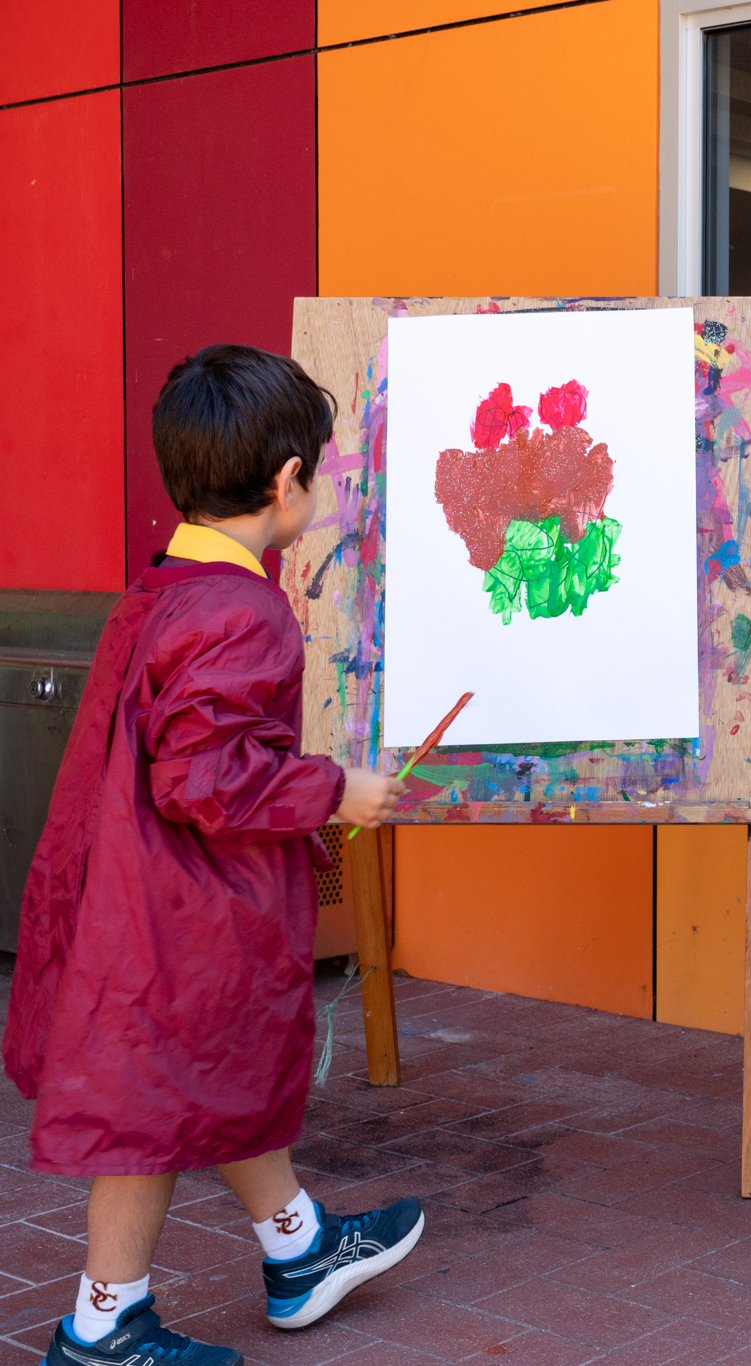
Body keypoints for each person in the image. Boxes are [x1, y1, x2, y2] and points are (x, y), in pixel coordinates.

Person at [3, 346, 420, 1366]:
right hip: (183, 914)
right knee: (151, 1114)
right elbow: (205, 779)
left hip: (139, 898)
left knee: (207, 1078)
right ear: (287, 480)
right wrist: (334, 789)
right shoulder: (245, 613)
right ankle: (102, 1328)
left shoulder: (164, 589)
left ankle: (299, 1248)